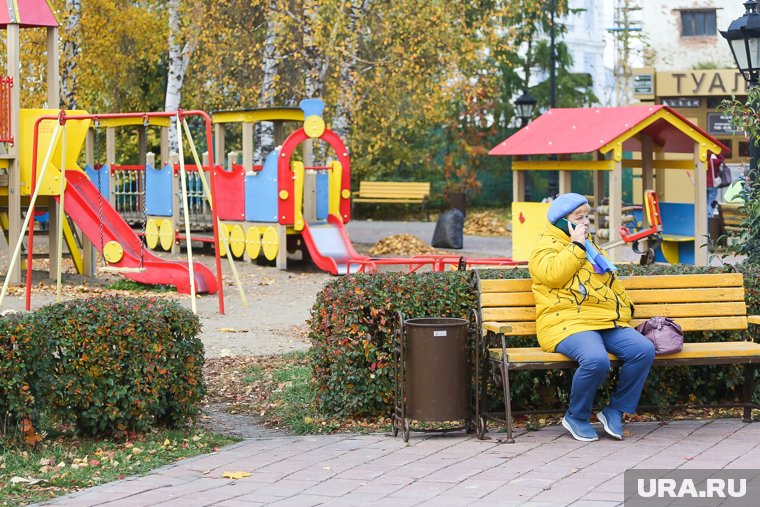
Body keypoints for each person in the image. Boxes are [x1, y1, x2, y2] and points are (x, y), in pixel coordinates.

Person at [528, 193, 655, 442]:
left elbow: (609, 280)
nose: (586, 222)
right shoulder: (545, 246)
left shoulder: (590, 244)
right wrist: (576, 246)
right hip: (564, 321)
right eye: (579, 217)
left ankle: (615, 411)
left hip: (603, 319)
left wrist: (625, 311)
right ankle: (577, 416)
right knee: (596, 360)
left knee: (643, 349)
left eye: (587, 216)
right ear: (562, 222)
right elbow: (552, 275)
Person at [707, 152, 723, 218]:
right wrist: (717, 153)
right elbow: (722, 159)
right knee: (710, 202)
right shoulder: (715, 162)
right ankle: (709, 216)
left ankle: (705, 216)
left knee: (705, 202)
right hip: (712, 184)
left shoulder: (704, 161)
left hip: (703, 184)